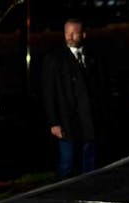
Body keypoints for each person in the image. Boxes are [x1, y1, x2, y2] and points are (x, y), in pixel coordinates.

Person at [42, 19, 108, 179]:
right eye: (67, 33)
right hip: (66, 120)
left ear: (83, 34)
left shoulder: (92, 56)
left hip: (89, 120)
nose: (70, 37)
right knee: (67, 162)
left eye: (74, 33)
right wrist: (54, 122)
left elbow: (100, 87)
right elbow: (48, 93)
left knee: (90, 163)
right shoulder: (54, 58)